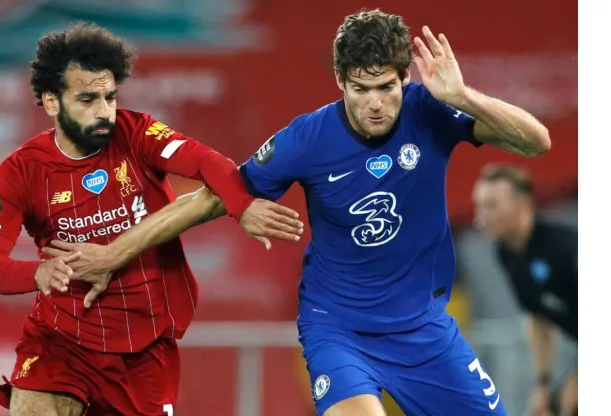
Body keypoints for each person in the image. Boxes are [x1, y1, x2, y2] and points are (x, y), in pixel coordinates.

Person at [46, 8, 551, 416]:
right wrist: (113, 253)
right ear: (339, 81)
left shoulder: (432, 112)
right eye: (361, 88)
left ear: (405, 78)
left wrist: (463, 96)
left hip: (424, 329)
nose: (375, 103)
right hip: (340, 330)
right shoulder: (306, 139)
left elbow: (536, 142)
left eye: (387, 87)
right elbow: (212, 197)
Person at [0, 22, 304, 416]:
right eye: (88, 99)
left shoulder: (138, 132)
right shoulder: (20, 172)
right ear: (51, 101)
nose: (104, 112)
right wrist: (38, 275)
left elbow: (209, 163)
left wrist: (243, 207)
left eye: (109, 97)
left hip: (144, 347)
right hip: (61, 341)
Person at [473, 164, 577, 416]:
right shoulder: (505, 252)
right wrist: (542, 386)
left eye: (492, 205)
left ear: (522, 204)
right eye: (479, 205)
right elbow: (538, 319)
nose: (480, 216)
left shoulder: (565, 248)